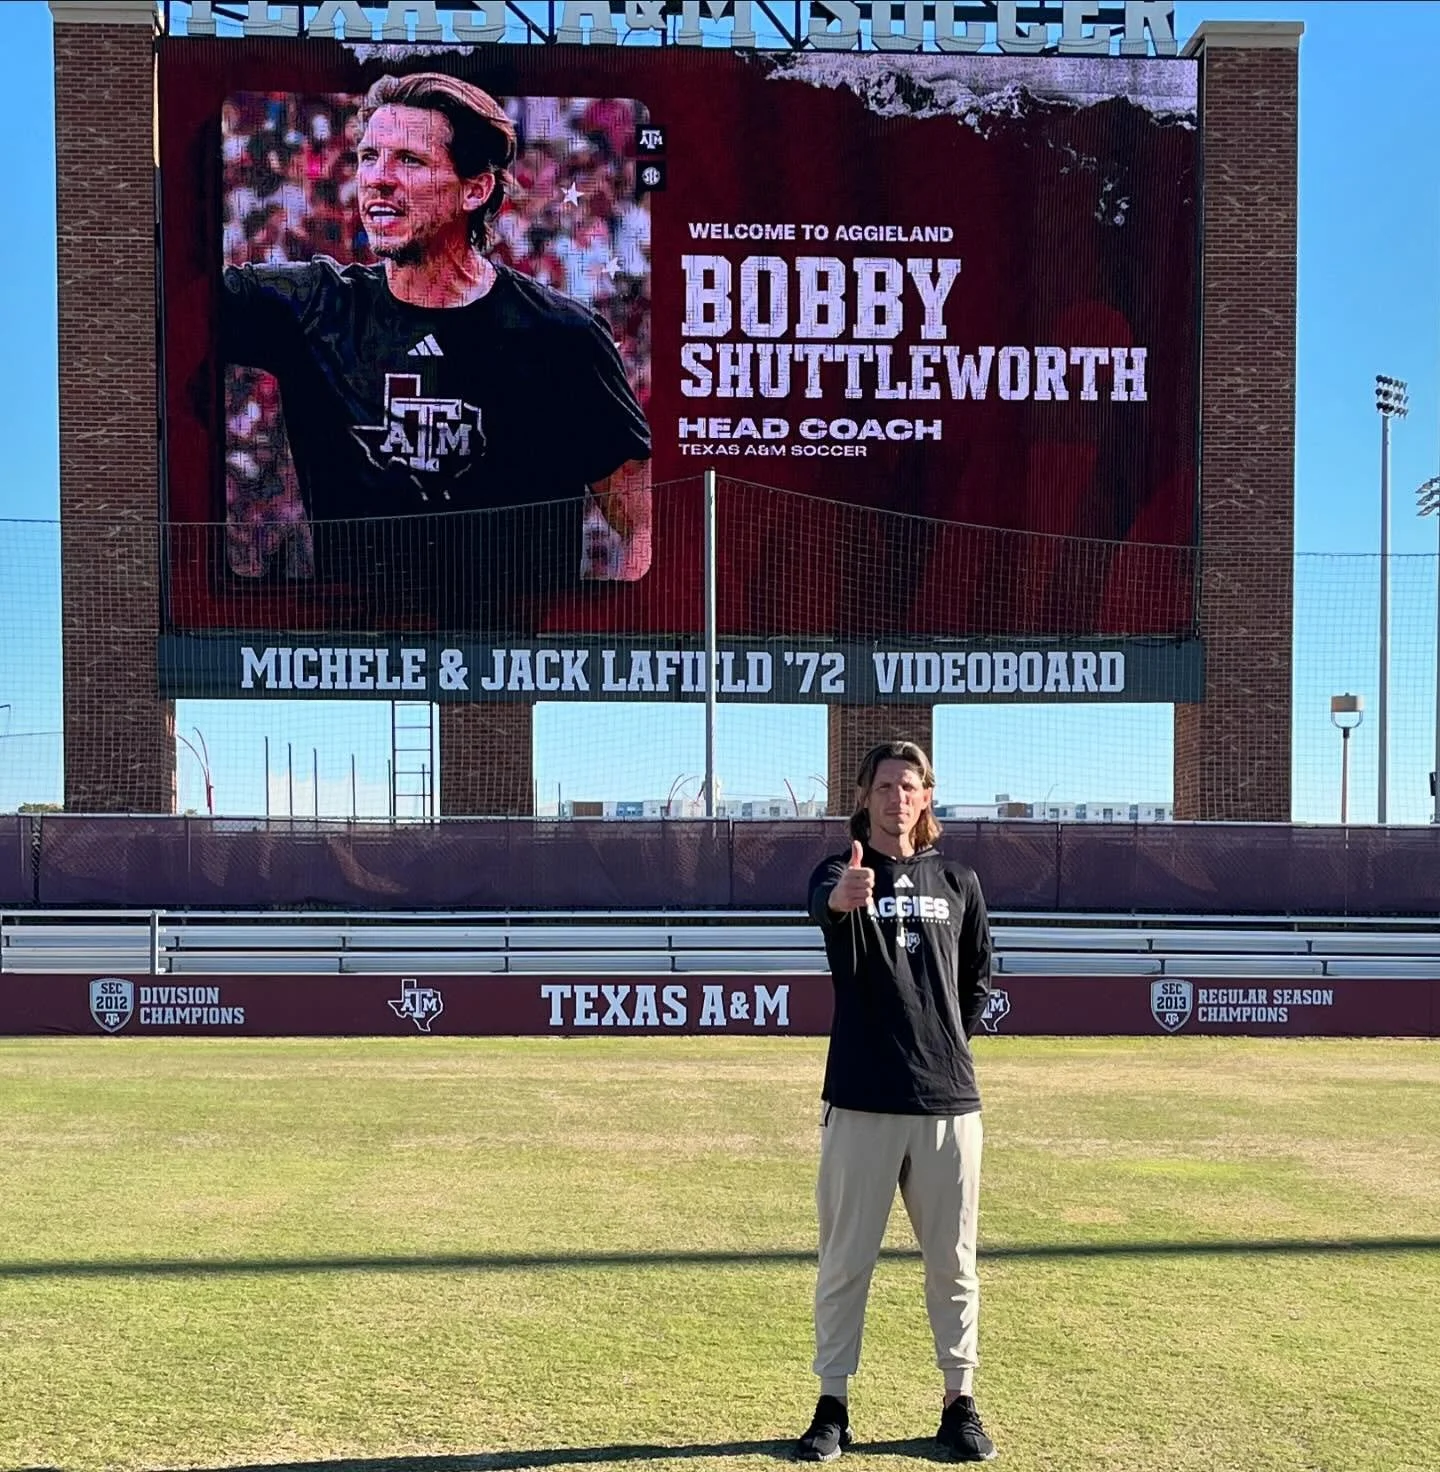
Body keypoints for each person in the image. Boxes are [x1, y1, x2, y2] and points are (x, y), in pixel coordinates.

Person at [220, 71, 652, 629]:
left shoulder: (562, 338)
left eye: (409, 161)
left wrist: (594, 637)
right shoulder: (310, 308)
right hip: (354, 655)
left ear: (475, 189)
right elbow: (165, 291)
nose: (378, 180)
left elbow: (644, 522)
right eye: (370, 156)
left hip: (507, 659)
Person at [796, 740, 997, 1463]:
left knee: (953, 1263)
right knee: (846, 1260)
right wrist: (843, 898)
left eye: (908, 786)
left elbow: (977, 977)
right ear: (864, 795)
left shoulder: (958, 881)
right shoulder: (841, 869)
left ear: (926, 798)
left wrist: (945, 1045)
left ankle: (959, 1402)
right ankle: (832, 1404)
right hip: (860, 1097)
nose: (896, 797)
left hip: (948, 1103)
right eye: (884, 785)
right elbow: (824, 901)